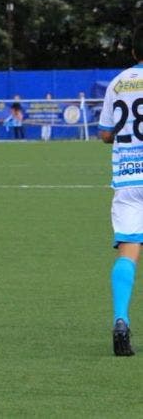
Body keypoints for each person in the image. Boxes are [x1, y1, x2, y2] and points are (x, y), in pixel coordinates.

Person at [98, 25, 143, 357]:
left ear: (132, 52)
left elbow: (103, 134)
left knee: (128, 250)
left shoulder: (118, 82)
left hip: (128, 176)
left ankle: (120, 319)